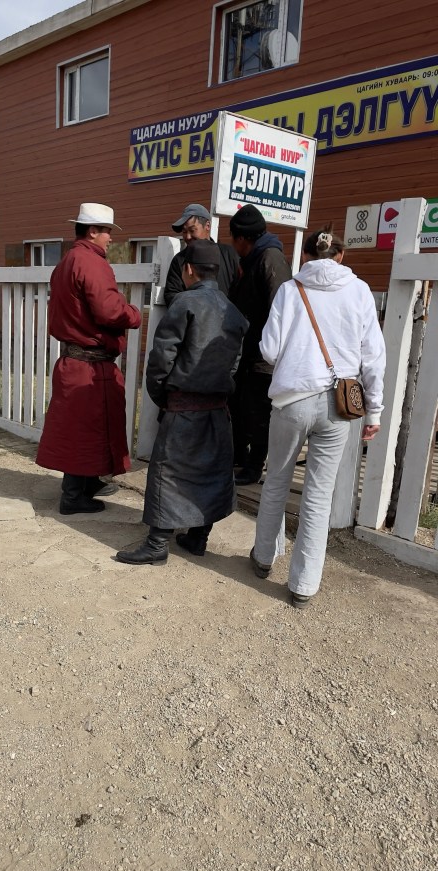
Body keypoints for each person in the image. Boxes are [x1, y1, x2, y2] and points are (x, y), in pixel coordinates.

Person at [249, 225, 386, 607]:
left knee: (276, 481)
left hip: (292, 400)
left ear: (306, 256)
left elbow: (269, 350)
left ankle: (263, 557)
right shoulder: (359, 291)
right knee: (318, 495)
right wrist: (374, 410)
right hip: (338, 405)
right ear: (340, 256)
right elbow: (374, 357)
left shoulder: (290, 290)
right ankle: (303, 585)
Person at [116, 239, 247, 565]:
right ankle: (198, 537)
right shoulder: (234, 312)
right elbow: (234, 365)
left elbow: (161, 360)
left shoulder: (184, 303)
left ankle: (157, 543)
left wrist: (163, 397)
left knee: (168, 472)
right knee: (211, 472)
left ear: (188, 269)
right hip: (218, 408)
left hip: (183, 407)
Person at [36, 202, 141, 515]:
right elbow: (109, 310)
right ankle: (72, 497)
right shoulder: (91, 262)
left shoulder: (67, 261)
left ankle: (89, 482)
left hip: (77, 359)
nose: (111, 237)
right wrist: (134, 314)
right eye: (107, 231)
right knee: (83, 429)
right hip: (89, 364)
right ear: (93, 231)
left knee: (90, 426)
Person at [228, 204, 292, 485]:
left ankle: (255, 466)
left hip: (264, 354)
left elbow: (281, 308)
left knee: (258, 411)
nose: (233, 245)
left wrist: (272, 350)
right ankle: (241, 459)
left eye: (233, 239)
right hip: (250, 350)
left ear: (242, 238)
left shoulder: (269, 259)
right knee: (243, 406)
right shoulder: (254, 259)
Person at [164, 203, 239, 307]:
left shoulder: (229, 255)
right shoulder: (179, 260)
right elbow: (171, 295)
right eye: (184, 232)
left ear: (207, 226)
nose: (188, 236)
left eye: (192, 230)